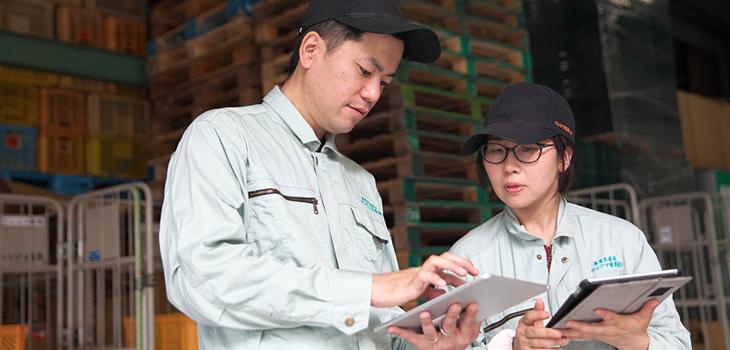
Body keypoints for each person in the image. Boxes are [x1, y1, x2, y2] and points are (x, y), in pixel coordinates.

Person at [158, 0, 484, 349]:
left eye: (384, 83)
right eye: (364, 71)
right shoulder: (222, 137)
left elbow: (379, 323)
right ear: (311, 49)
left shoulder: (361, 182)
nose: (373, 93)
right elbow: (203, 278)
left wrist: (428, 343)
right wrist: (370, 288)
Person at [424, 82, 690, 349]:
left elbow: (677, 342)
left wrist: (638, 342)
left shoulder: (622, 241)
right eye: (496, 150)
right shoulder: (467, 260)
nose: (509, 166)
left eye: (527, 148)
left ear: (564, 158)